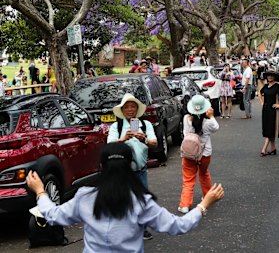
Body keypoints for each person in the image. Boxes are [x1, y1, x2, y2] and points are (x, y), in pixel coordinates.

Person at [26, 142, 224, 252]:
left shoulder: (84, 197)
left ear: (101, 167)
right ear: (130, 166)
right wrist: (204, 204)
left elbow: (52, 215)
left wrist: (40, 191)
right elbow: (178, 226)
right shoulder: (141, 202)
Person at [107, 93, 158, 240]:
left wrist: (144, 139)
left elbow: (155, 143)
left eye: (133, 107)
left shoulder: (144, 124)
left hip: (140, 170)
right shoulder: (117, 126)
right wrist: (123, 139)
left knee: (142, 200)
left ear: (137, 109)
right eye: (127, 107)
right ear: (122, 110)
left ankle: (142, 229)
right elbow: (109, 147)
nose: (130, 110)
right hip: (122, 171)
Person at [178, 95, 219, 213]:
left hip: (189, 153)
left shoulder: (186, 118)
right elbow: (216, 127)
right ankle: (207, 197)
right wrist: (211, 116)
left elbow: (185, 133)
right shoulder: (208, 122)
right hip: (205, 154)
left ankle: (185, 205)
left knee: (188, 179)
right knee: (204, 173)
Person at [259, 68, 279, 156]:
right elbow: (259, 92)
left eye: (272, 75)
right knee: (268, 128)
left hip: (273, 110)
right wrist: (261, 102)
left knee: (270, 129)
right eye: (268, 75)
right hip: (266, 110)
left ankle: (264, 148)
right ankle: (273, 148)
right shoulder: (266, 86)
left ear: (275, 77)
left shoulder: (277, 85)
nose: (270, 77)